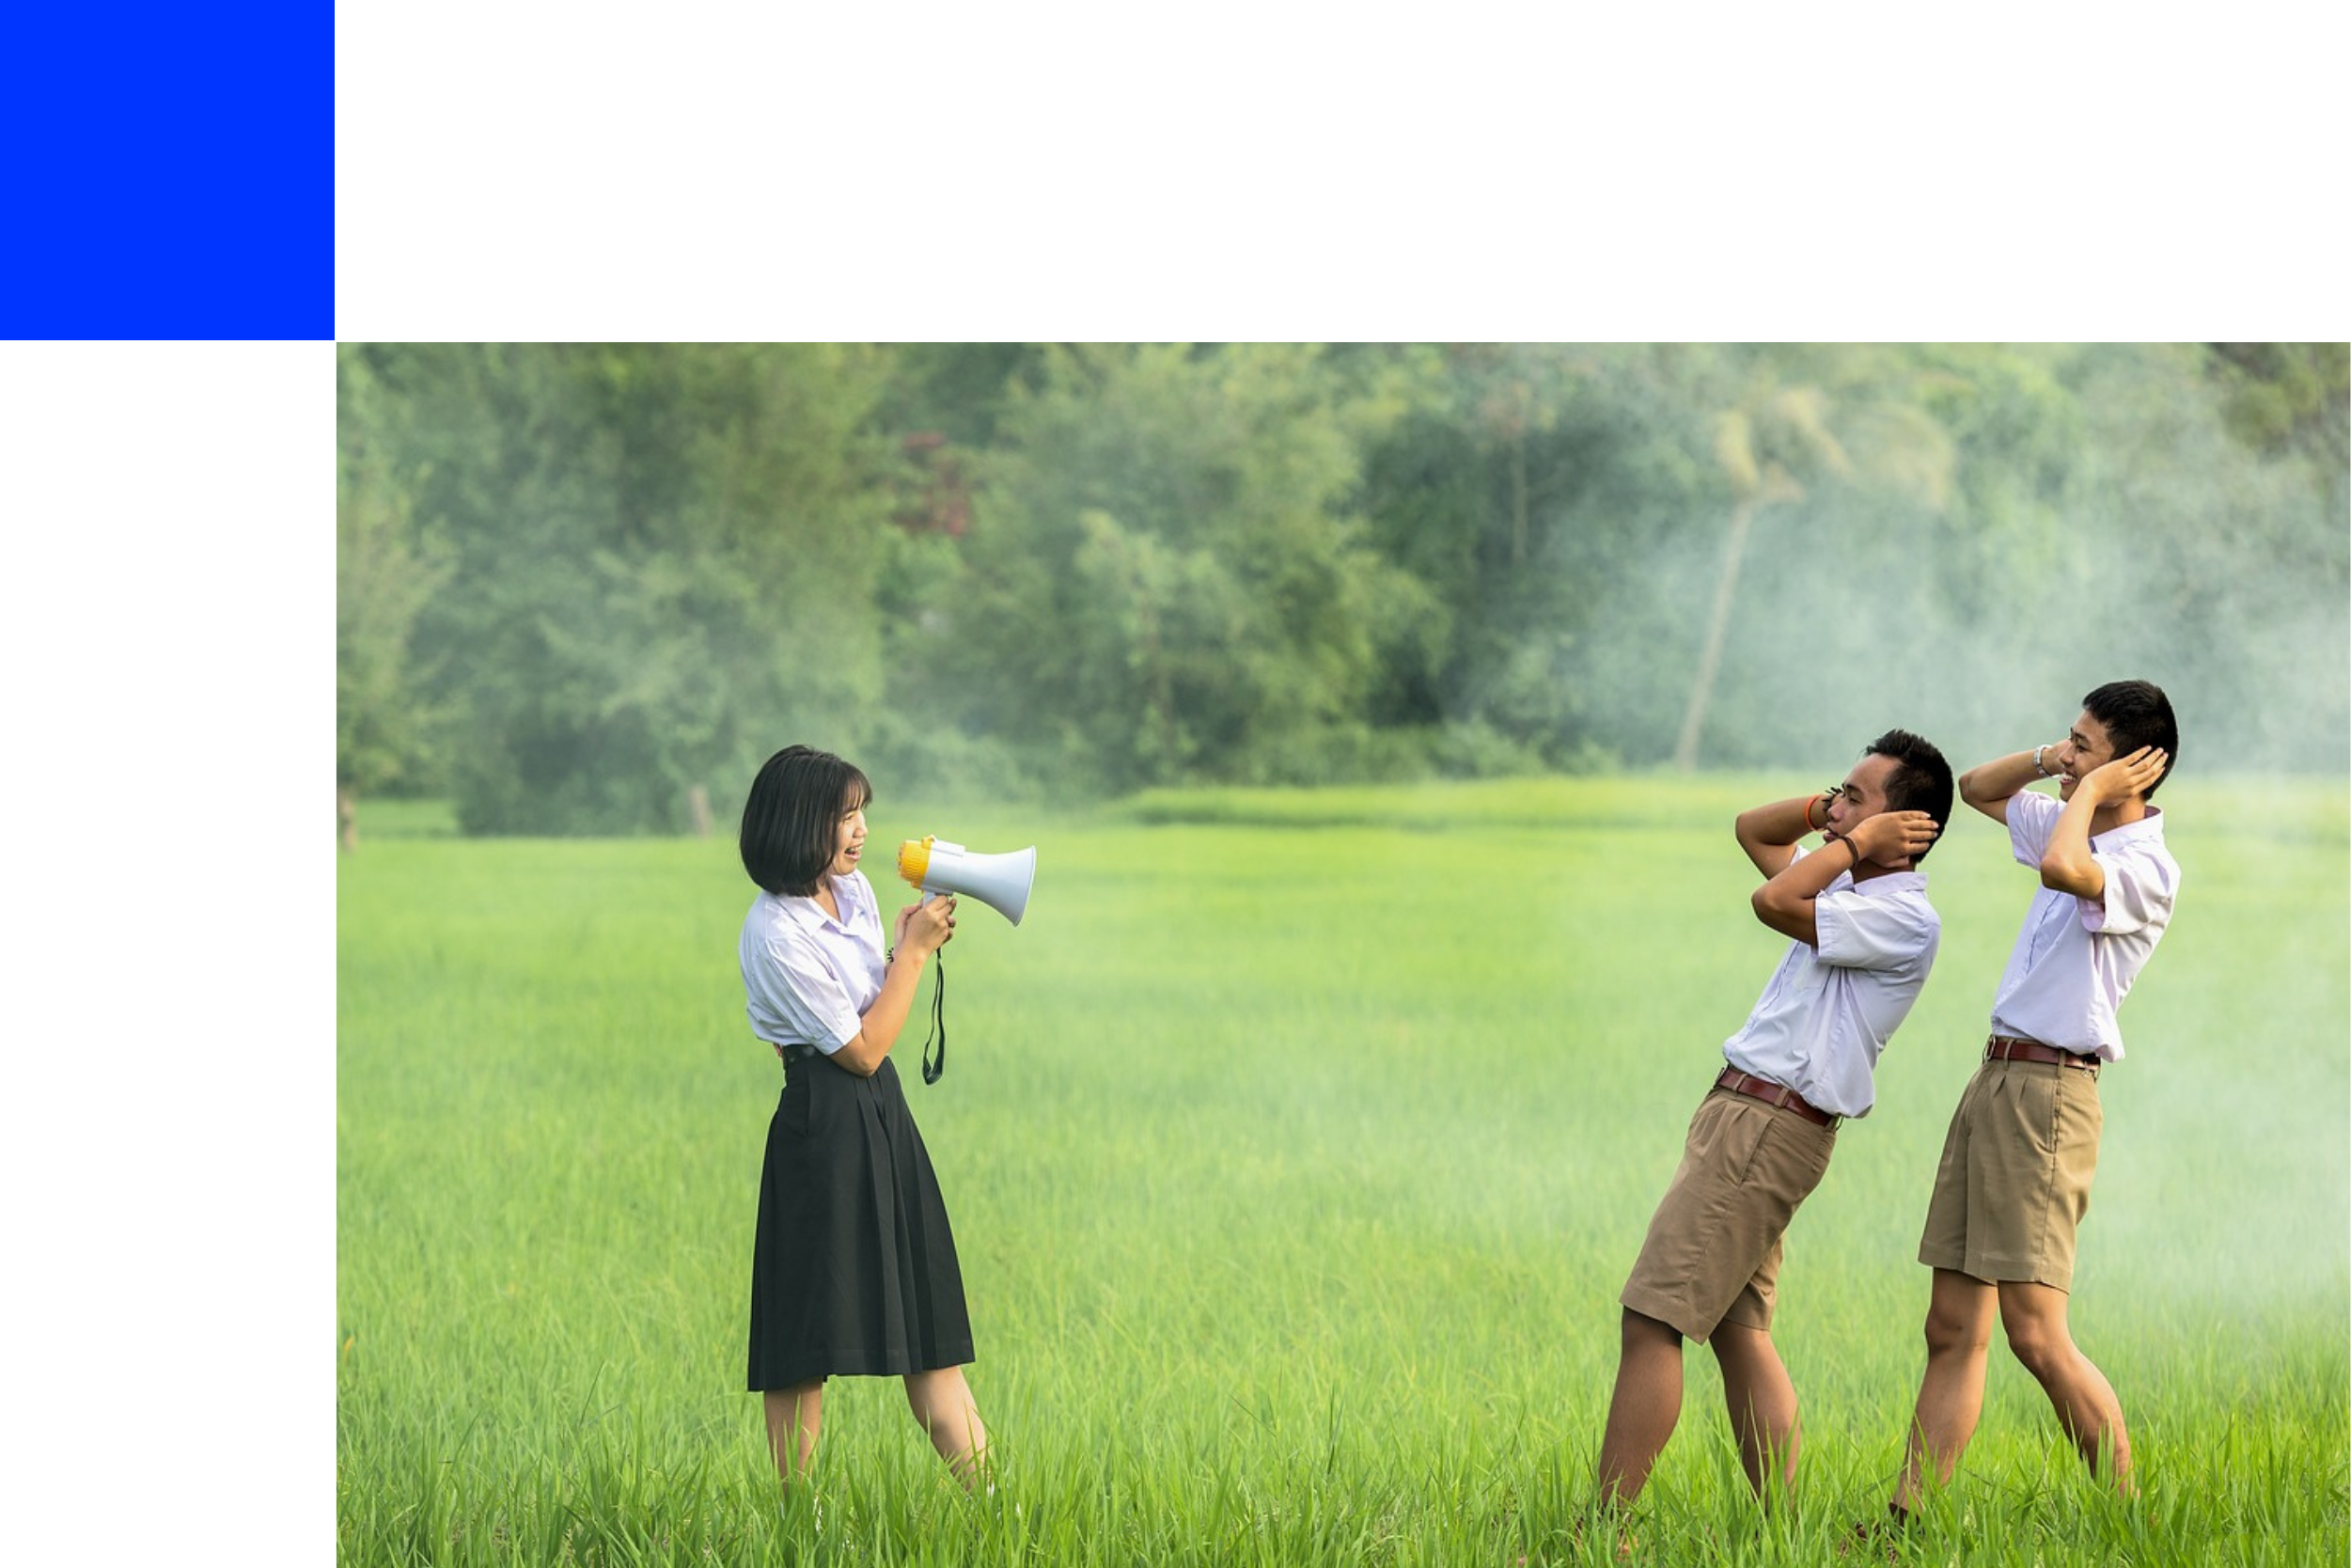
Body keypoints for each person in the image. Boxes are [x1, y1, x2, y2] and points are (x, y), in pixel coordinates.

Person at [1592, 729, 1951, 1521]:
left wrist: (1853, 840)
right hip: (1748, 1117)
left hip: (1765, 1125)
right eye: (1837, 793)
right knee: (1736, 1330)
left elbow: (1771, 901)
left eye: (1856, 796)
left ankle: (1599, 1534)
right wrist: (1835, 814)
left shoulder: (1899, 918)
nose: (1833, 811)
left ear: (1905, 828)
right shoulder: (1847, 889)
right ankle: (1782, 1531)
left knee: (1652, 1317)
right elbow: (1752, 830)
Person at [1885, 681, 2178, 1524]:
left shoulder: (2144, 866)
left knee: (2035, 1333)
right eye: (2069, 740)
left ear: (2129, 769)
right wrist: (2061, 764)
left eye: (2085, 744)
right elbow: (1977, 788)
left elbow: (2062, 866)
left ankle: (2128, 1522)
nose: (2066, 756)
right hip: (1996, 1080)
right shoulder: (2070, 815)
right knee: (1950, 1326)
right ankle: (1908, 1523)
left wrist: (2088, 790)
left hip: (2050, 1094)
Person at [737, 744, 989, 1491]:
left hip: (883, 1120)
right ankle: (796, 1518)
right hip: (823, 1126)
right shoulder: (774, 934)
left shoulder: (853, 896)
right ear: (795, 825)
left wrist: (903, 947)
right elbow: (864, 1049)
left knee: (930, 1329)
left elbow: (874, 1010)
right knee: (802, 1340)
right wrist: (910, 957)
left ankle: (999, 1512)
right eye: (843, 816)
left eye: (861, 814)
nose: (860, 831)